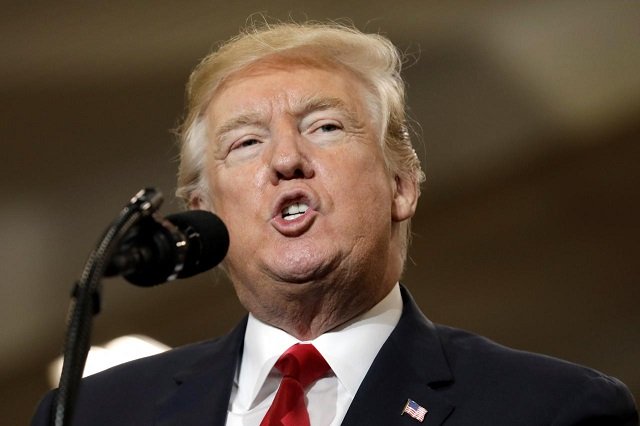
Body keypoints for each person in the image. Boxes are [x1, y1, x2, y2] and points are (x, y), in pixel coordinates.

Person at [33, 21, 637, 426]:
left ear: (401, 186)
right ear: (204, 213)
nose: (285, 159)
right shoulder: (94, 412)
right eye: (245, 142)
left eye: (324, 127)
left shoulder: (554, 410)